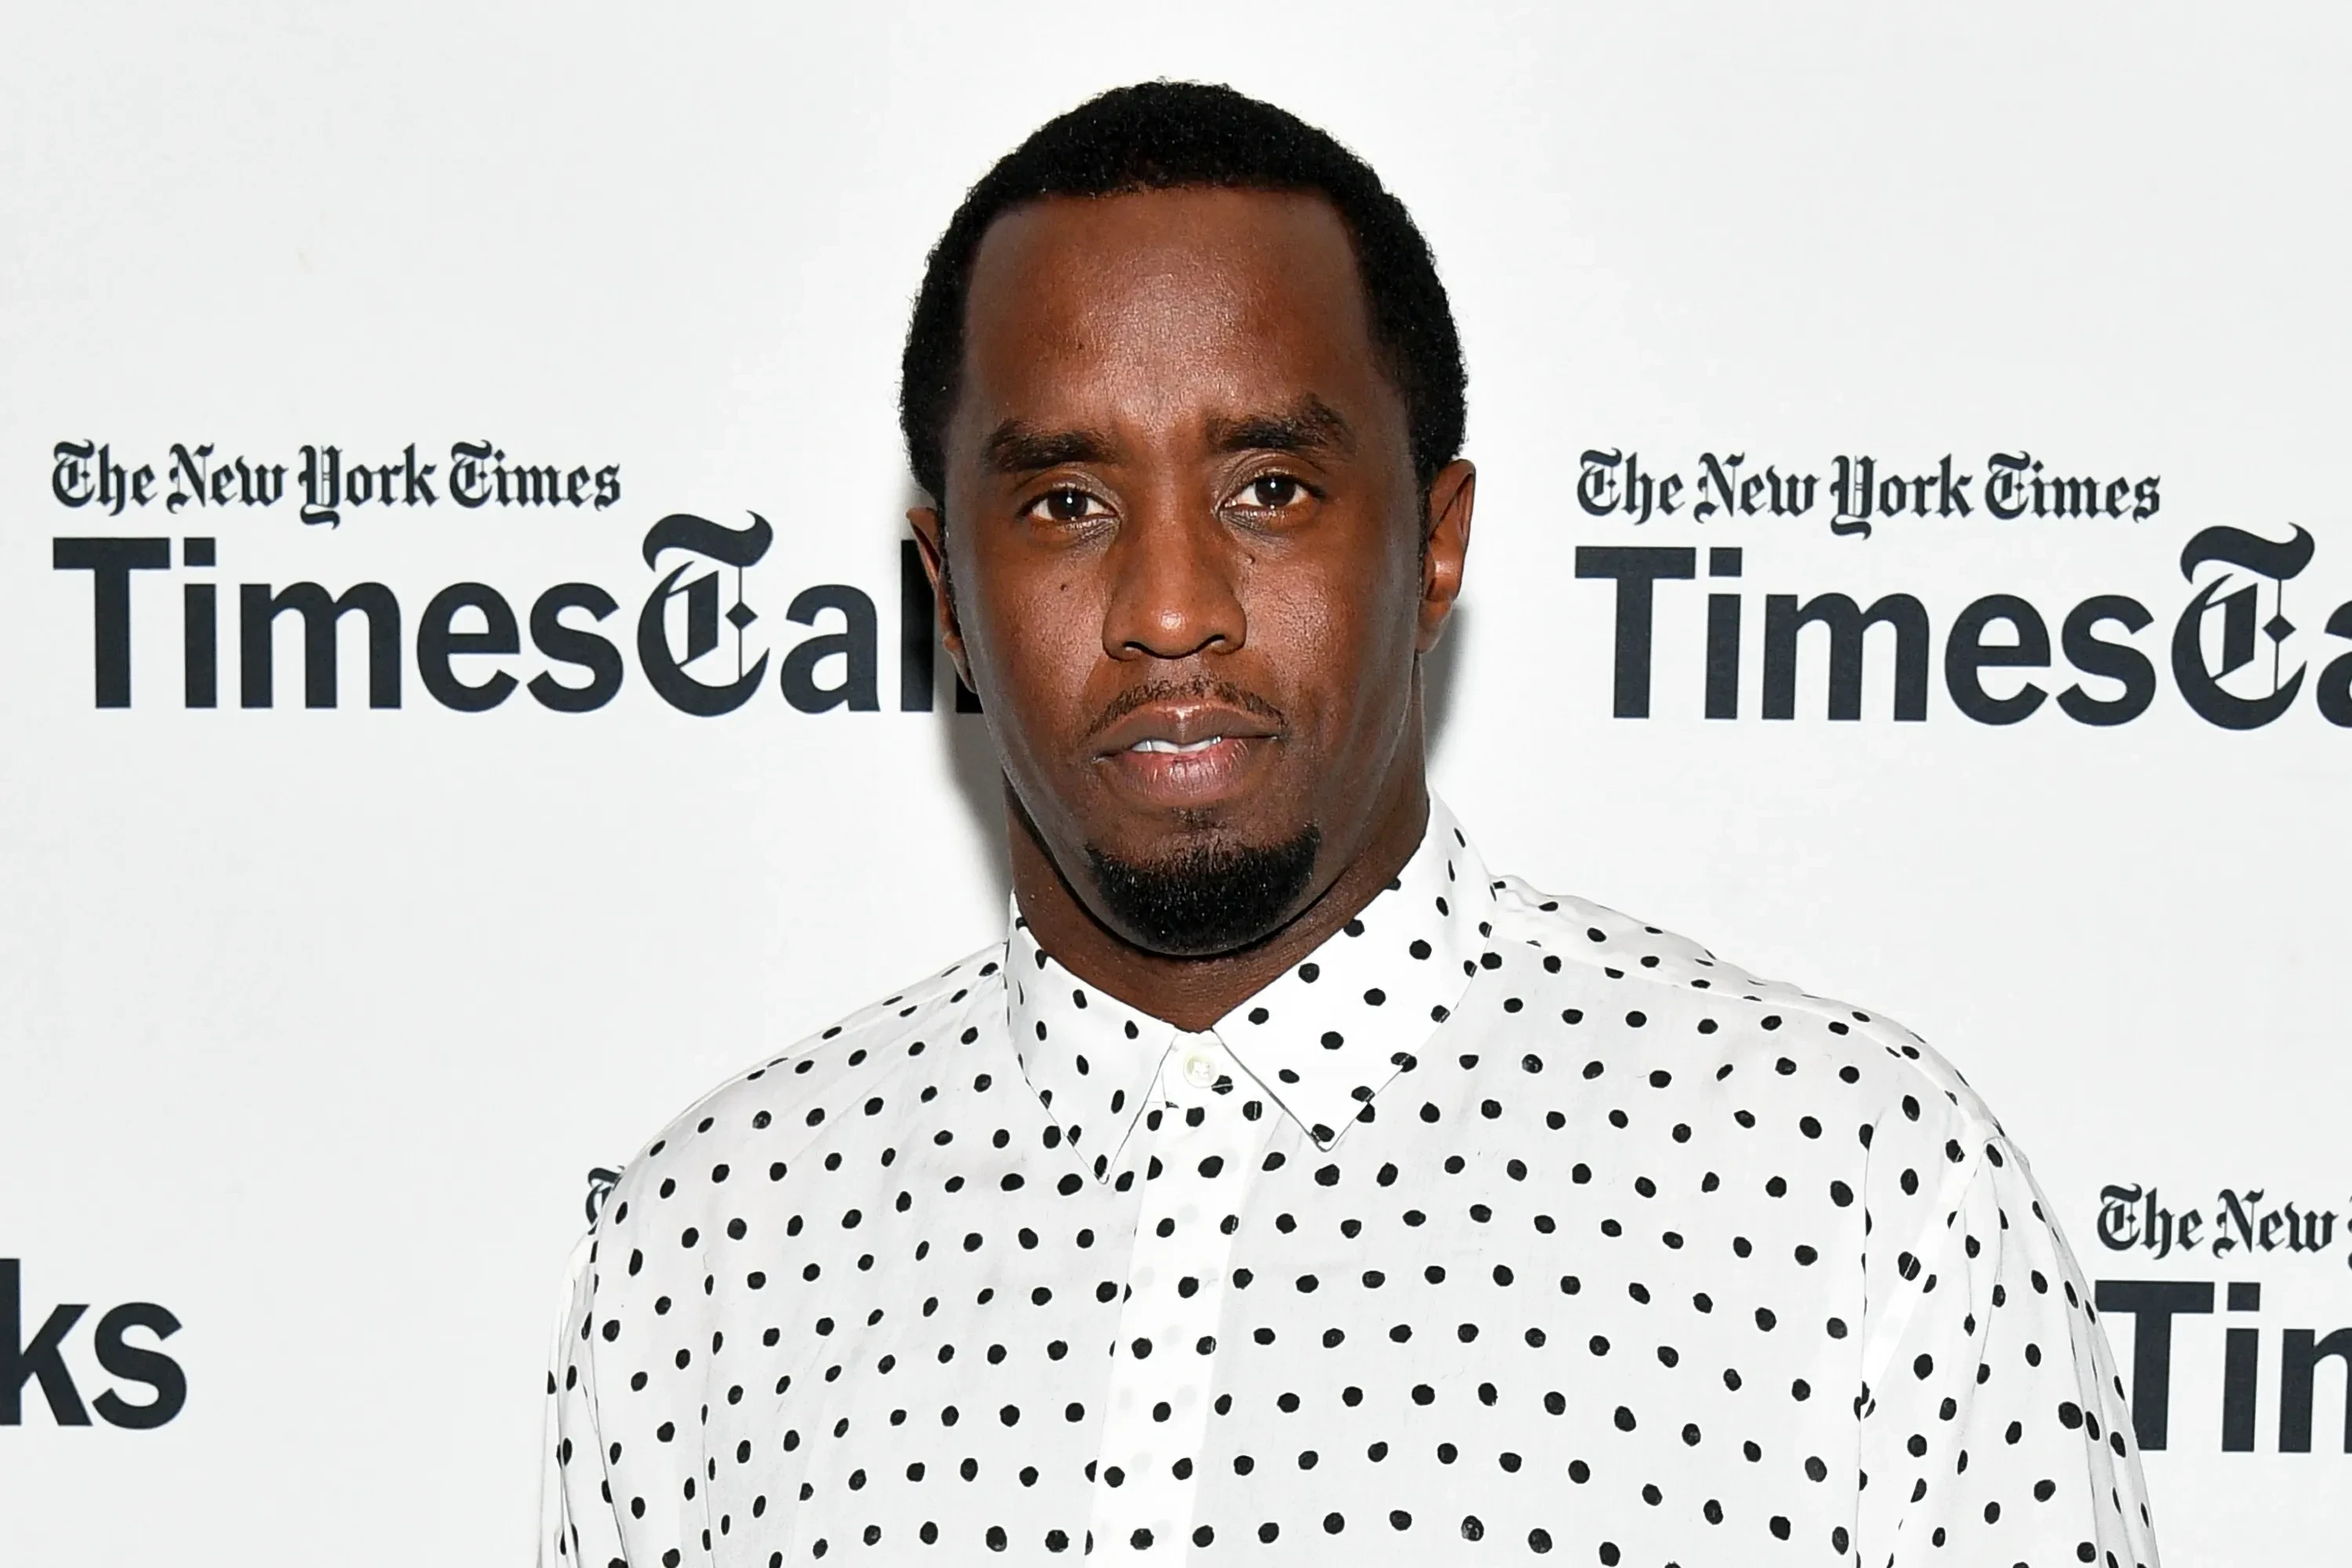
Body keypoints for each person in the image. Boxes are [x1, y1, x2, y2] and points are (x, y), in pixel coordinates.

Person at [540, 82, 2159, 1568]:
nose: (1170, 607)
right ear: (946, 594)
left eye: (1270, 489)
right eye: (1066, 503)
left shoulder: (1851, 1187)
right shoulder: (705, 1251)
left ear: (1436, 547)